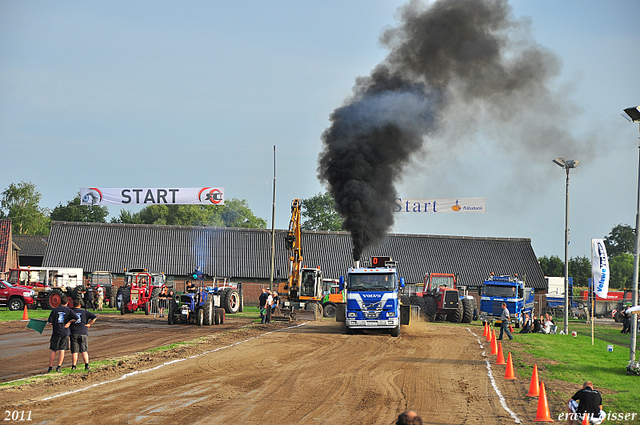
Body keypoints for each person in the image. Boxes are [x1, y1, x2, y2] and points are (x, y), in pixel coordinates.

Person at [46, 294, 78, 373]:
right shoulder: (69, 310)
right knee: (62, 350)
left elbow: (50, 322)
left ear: (60, 302)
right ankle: (59, 367)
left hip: (56, 332)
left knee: (53, 350)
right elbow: (76, 318)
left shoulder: (55, 310)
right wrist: (69, 322)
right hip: (65, 332)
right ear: (67, 302)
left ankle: (50, 367)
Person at [70, 299, 97, 371]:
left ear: (73, 305)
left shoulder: (71, 312)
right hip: (83, 332)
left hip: (74, 332)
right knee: (84, 350)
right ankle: (86, 365)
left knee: (75, 351)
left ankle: (73, 366)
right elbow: (94, 317)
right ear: (80, 305)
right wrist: (89, 324)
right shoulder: (84, 312)